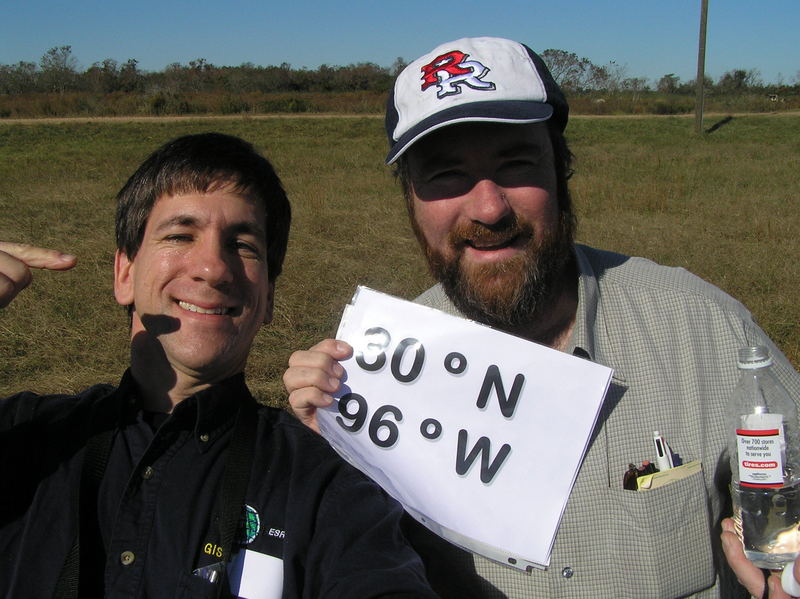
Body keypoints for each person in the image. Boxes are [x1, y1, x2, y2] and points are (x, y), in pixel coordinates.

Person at [282, 37, 800, 598]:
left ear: (562, 168)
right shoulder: (369, 382)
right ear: (410, 198)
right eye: (446, 175)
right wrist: (326, 458)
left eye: (516, 163)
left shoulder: (701, 328)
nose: (488, 208)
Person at [0, 133, 437, 599]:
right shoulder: (24, 435)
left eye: (243, 245)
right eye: (180, 235)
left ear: (267, 297)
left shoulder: (322, 480)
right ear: (124, 274)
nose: (213, 268)